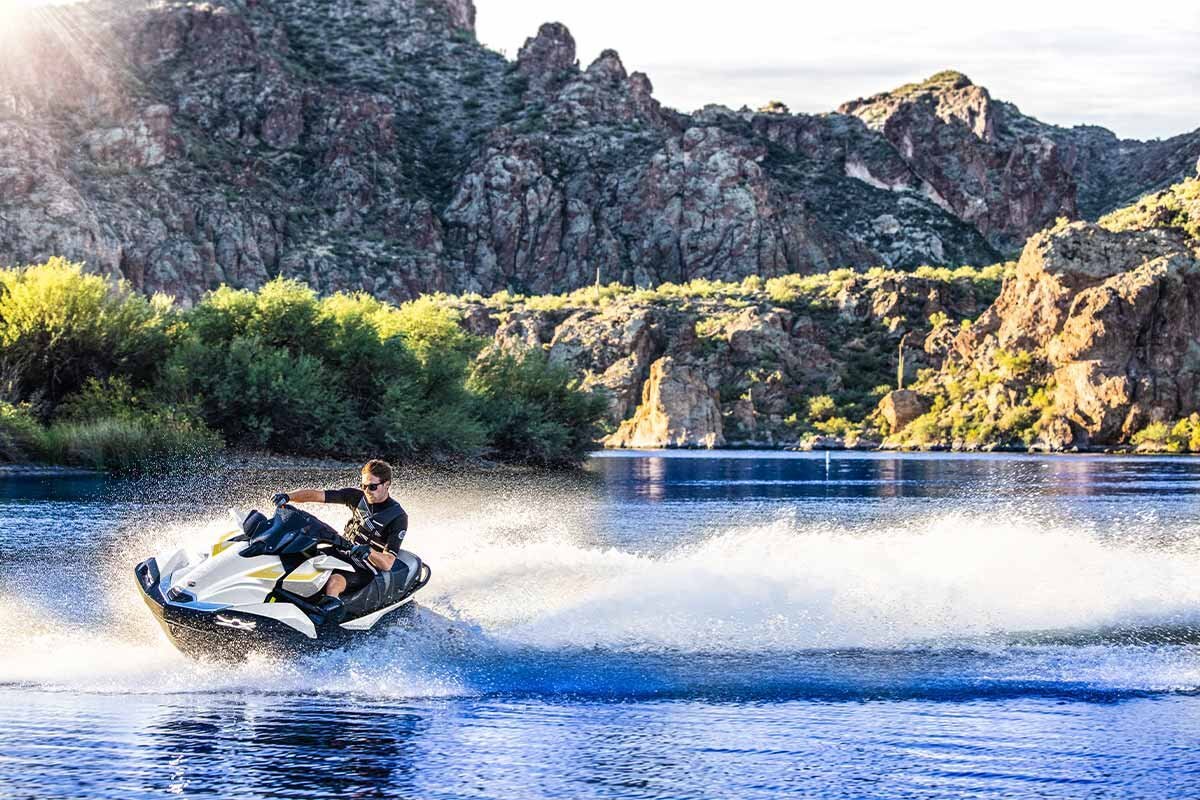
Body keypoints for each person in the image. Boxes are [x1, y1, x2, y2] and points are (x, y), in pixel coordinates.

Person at [272, 459, 409, 611]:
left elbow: (388, 563)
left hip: (364, 566)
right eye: (363, 486)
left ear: (387, 484)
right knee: (296, 556)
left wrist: (368, 551)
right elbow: (316, 495)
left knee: (333, 582)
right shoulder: (357, 497)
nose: (367, 491)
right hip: (340, 552)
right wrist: (288, 496)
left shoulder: (398, 517)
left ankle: (329, 617)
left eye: (372, 487)